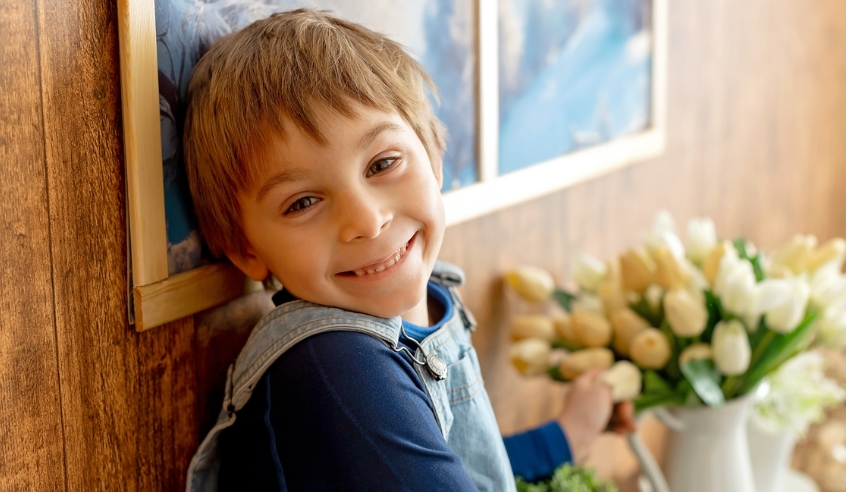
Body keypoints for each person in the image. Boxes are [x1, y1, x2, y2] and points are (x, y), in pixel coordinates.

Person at [183, 9, 636, 492]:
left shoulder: (425, 305)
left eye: (383, 163)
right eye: (303, 202)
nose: (367, 219)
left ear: (435, 157)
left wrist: (566, 436)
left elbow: (449, 461)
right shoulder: (339, 367)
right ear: (246, 250)